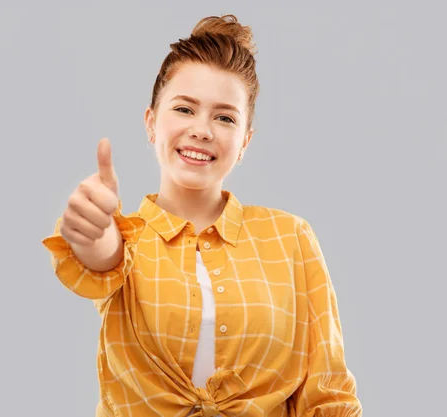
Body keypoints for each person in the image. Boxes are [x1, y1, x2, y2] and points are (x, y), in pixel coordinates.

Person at [42, 14, 362, 417]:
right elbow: (102, 258)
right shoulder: (124, 237)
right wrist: (92, 234)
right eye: (184, 109)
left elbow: (328, 393)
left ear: (244, 141)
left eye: (224, 117)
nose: (202, 130)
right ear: (151, 122)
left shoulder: (290, 238)